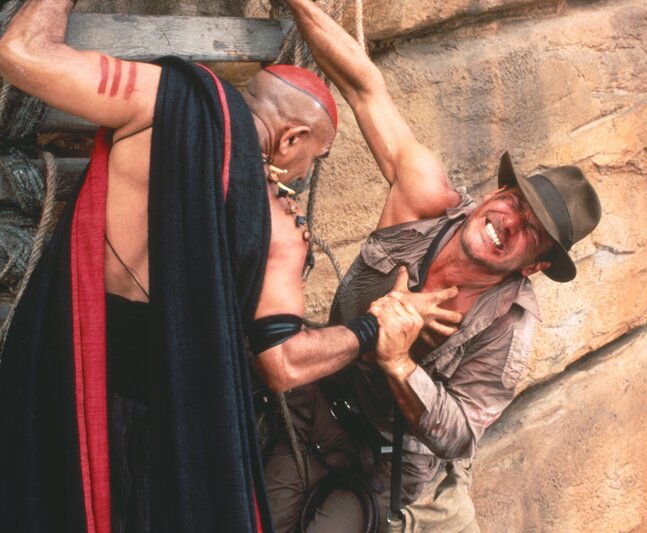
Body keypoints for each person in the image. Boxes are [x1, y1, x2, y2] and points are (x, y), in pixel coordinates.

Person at [0, 2, 456, 532]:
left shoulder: (160, 99)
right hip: (166, 421)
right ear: (291, 138)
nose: (303, 176)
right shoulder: (276, 225)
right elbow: (283, 363)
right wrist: (374, 327)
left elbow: (21, 52)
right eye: (316, 157)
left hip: (66, 370)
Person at [260, 0, 603, 531]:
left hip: (386, 469)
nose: (510, 222)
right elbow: (363, 85)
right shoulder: (423, 200)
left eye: (532, 232)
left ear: (533, 266)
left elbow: (460, 435)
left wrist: (400, 363)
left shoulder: (509, 324)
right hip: (314, 416)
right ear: (498, 192)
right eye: (515, 202)